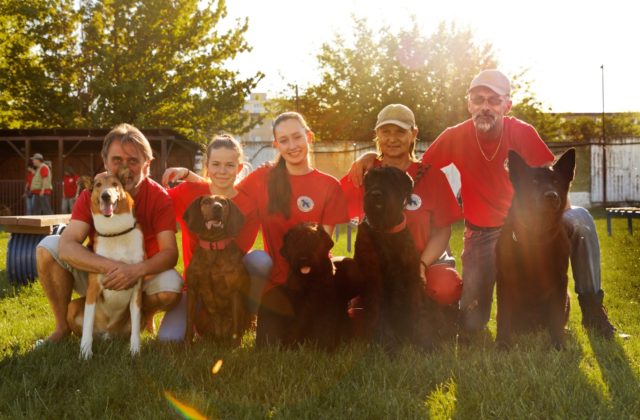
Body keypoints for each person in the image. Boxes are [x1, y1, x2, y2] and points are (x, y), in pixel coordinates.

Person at [350, 70, 615, 339]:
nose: (485, 106)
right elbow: (416, 163)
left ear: (506, 105)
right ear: (469, 104)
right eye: (478, 99)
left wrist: (555, 230)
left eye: (493, 99)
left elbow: (554, 182)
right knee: (471, 325)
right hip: (482, 235)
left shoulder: (522, 132)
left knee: (580, 220)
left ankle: (593, 311)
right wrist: (374, 155)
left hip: (528, 230)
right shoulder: (455, 136)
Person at [36, 124, 183, 343]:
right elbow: (67, 245)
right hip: (99, 275)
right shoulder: (94, 192)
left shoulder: (158, 197)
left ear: (147, 165)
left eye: (133, 161)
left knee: (172, 286)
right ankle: (62, 327)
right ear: (105, 162)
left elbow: (170, 253)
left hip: (142, 277)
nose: (125, 167)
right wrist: (113, 269)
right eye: (117, 160)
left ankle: (143, 316)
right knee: (48, 247)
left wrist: (134, 271)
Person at [340, 104, 463, 297]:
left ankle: (441, 315)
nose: (392, 139)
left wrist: (421, 265)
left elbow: (442, 230)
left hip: (425, 260)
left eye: (400, 131)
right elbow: (330, 206)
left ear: (413, 134)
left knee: (444, 288)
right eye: (385, 132)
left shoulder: (432, 176)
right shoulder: (366, 173)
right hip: (379, 266)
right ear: (377, 134)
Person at [156, 134, 264, 341]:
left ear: (239, 168)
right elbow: (156, 202)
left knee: (260, 260)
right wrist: (186, 174)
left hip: (227, 282)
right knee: (169, 339)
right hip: (194, 286)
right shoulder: (189, 192)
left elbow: (239, 249)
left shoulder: (248, 205)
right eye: (215, 164)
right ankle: (197, 322)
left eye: (229, 165)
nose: (222, 171)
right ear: (207, 166)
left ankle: (248, 317)